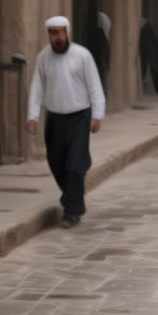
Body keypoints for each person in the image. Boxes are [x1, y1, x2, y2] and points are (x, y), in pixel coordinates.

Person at [26, 15, 105, 228]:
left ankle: (72, 210)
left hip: (79, 117)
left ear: (67, 32)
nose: (57, 38)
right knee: (56, 162)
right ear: (48, 36)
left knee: (75, 164)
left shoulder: (82, 56)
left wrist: (97, 115)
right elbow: (36, 88)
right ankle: (72, 197)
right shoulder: (43, 58)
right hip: (54, 119)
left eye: (60, 33)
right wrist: (32, 116)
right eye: (53, 34)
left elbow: (95, 86)